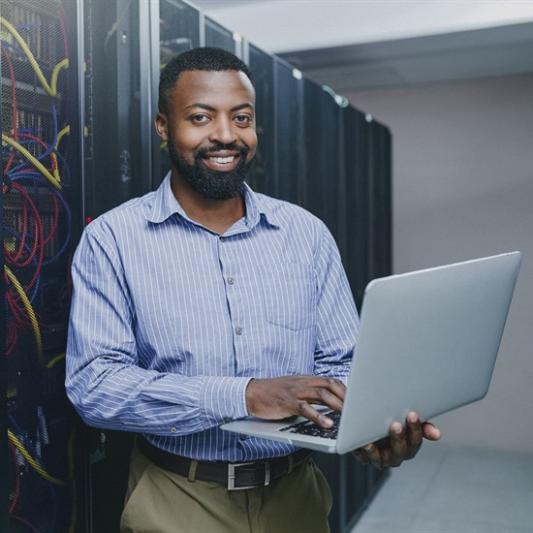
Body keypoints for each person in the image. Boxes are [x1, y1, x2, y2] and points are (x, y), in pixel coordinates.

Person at [65, 47, 441, 533]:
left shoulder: (305, 234)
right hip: (178, 499)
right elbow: (94, 385)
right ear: (163, 126)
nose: (225, 134)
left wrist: (370, 427)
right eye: (201, 117)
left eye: (241, 118)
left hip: (296, 498)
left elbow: (342, 362)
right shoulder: (113, 240)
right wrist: (243, 396)